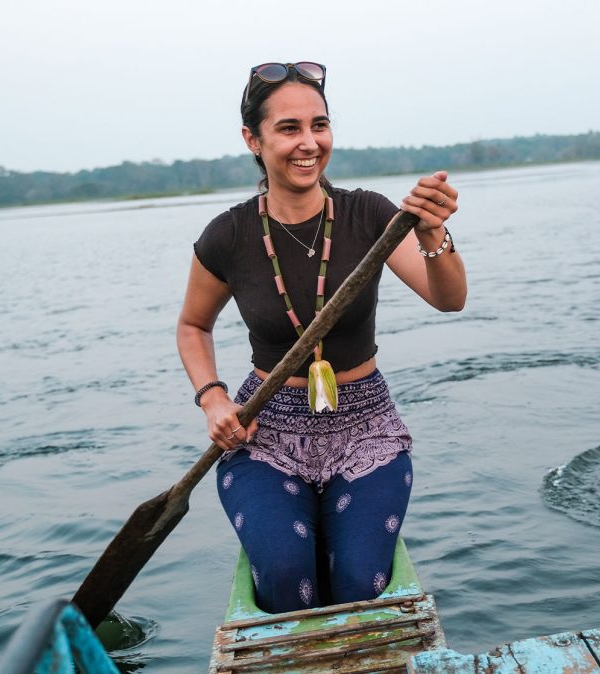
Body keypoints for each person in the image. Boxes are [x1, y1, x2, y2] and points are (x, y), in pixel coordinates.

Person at [177, 61, 467, 612]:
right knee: (287, 582)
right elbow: (193, 326)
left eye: (320, 125)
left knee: (359, 585)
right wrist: (213, 399)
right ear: (252, 140)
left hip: (366, 430)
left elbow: (448, 297)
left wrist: (435, 232)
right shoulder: (228, 234)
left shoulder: (370, 214)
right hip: (263, 432)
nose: (309, 143)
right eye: (289, 128)